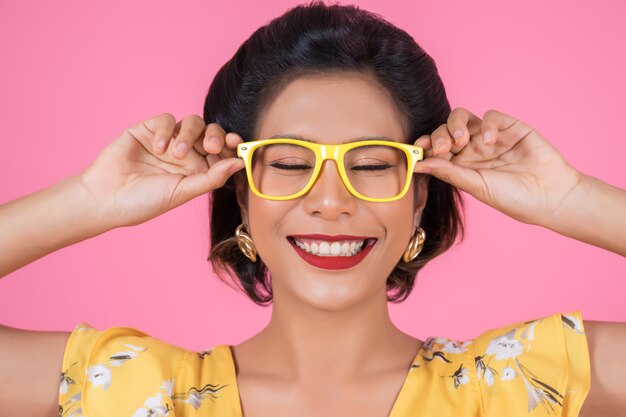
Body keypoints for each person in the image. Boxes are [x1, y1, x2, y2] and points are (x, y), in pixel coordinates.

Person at [1, 1, 625, 416]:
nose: (331, 202)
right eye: (293, 165)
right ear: (241, 193)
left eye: (374, 165)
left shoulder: (518, 388)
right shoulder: (140, 391)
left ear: (420, 194)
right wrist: (90, 201)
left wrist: (569, 201)